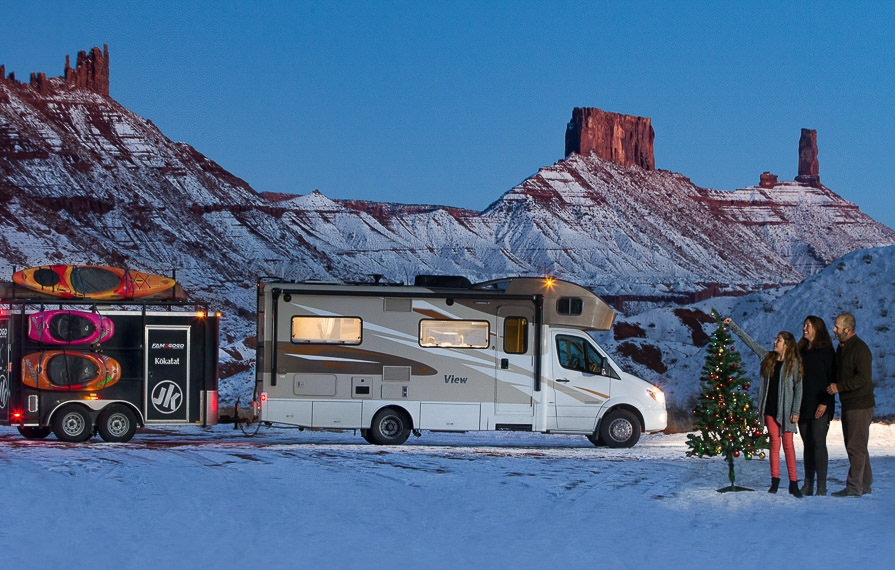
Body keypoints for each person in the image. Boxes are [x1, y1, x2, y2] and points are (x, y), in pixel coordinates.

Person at [724, 317, 804, 497]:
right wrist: (733, 326)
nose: (775, 342)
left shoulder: (794, 365)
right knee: (775, 445)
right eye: (776, 339)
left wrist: (795, 411)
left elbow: (799, 389)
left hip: (786, 412)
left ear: (787, 345)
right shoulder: (767, 358)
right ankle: (774, 481)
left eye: (779, 340)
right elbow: (750, 342)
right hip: (769, 409)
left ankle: (793, 483)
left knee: (789, 446)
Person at [827, 313, 874, 497]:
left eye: (837, 327)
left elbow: (862, 379)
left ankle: (854, 488)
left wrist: (839, 387)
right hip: (850, 404)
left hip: (860, 405)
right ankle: (865, 483)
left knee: (855, 447)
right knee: (858, 445)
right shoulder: (843, 347)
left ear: (847, 329)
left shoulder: (860, 349)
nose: (834, 330)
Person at [797, 316, 836, 496]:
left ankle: (821, 486)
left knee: (819, 444)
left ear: (817, 329)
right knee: (807, 445)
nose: (804, 328)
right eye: (804, 325)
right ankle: (808, 484)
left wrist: (824, 403)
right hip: (803, 405)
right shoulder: (801, 351)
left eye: (808, 326)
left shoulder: (827, 352)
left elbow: (833, 380)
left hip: (821, 405)